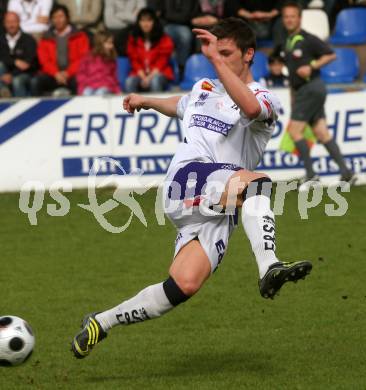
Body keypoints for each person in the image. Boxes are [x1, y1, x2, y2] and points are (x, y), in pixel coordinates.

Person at [71, 17, 313, 359]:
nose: (219, 58)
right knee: (257, 182)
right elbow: (181, 105)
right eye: (216, 52)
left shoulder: (263, 97)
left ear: (248, 55)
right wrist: (148, 101)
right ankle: (269, 266)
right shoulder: (202, 87)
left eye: (227, 52)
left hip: (219, 205)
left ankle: (101, 322)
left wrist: (214, 59)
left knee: (183, 284)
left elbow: (248, 107)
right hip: (186, 180)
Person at [279, 1, 355, 189]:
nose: (289, 20)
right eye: (286, 16)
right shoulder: (288, 41)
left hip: (311, 88)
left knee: (295, 131)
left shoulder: (308, 39)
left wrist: (311, 66)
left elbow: (330, 55)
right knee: (322, 132)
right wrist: (293, 94)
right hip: (305, 90)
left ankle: (311, 176)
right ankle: (347, 173)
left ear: (299, 18)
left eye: (292, 16)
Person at [31, 4, 90, 96]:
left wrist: (67, 73)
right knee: (36, 82)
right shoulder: (46, 38)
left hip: (73, 74)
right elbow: (44, 61)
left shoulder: (80, 36)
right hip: (53, 74)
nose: (58, 20)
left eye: (60, 16)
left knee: (79, 81)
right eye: (54, 17)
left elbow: (83, 58)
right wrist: (56, 73)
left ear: (67, 18)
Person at [125, 7, 174, 93]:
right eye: (142, 21)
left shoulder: (164, 39)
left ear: (154, 22)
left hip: (159, 73)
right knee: (129, 82)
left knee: (155, 81)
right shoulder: (133, 39)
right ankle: (133, 106)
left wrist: (149, 78)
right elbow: (134, 61)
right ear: (138, 23)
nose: (145, 24)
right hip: (140, 74)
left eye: (149, 20)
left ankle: (156, 106)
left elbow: (162, 61)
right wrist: (144, 77)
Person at [148, 0, 200, 77]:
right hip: (167, 25)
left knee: (185, 35)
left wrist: (169, 16)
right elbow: (160, 13)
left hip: (185, 25)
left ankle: (182, 66)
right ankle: (164, 67)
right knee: (162, 34)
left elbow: (188, 16)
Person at [0, 11, 38, 97]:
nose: (11, 25)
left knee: (17, 81)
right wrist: (14, 61)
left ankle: (20, 106)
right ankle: (4, 94)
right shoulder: (1, 39)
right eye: (8, 22)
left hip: (25, 74)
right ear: (4, 24)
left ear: (19, 22)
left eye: (13, 22)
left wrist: (12, 75)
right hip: (4, 74)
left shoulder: (28, 40)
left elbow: (28, 64)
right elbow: (2, 57)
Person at [76, 31, 120, 96]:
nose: (111, 46)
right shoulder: (88, 57)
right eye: (109, 43)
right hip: (90, 86)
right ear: (100, 43)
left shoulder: (111, 59)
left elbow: (114, 77)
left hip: (106, 87)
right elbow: (81, 74)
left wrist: (117, 91)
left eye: (112, 43)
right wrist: (81, 89)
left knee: (100, 92)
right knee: (86, 92)